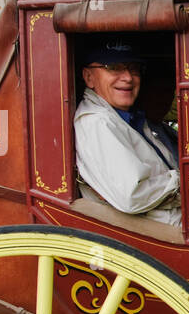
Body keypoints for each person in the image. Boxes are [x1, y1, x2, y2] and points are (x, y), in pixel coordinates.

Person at [73, 39, 181, 226]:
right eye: (113, 67)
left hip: (169, 222)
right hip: (157, 232)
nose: (128, 77)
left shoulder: (129, 119)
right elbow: (132, 195)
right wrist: (184, 180)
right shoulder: (97, 122)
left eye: (134, 68)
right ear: (88, 77)